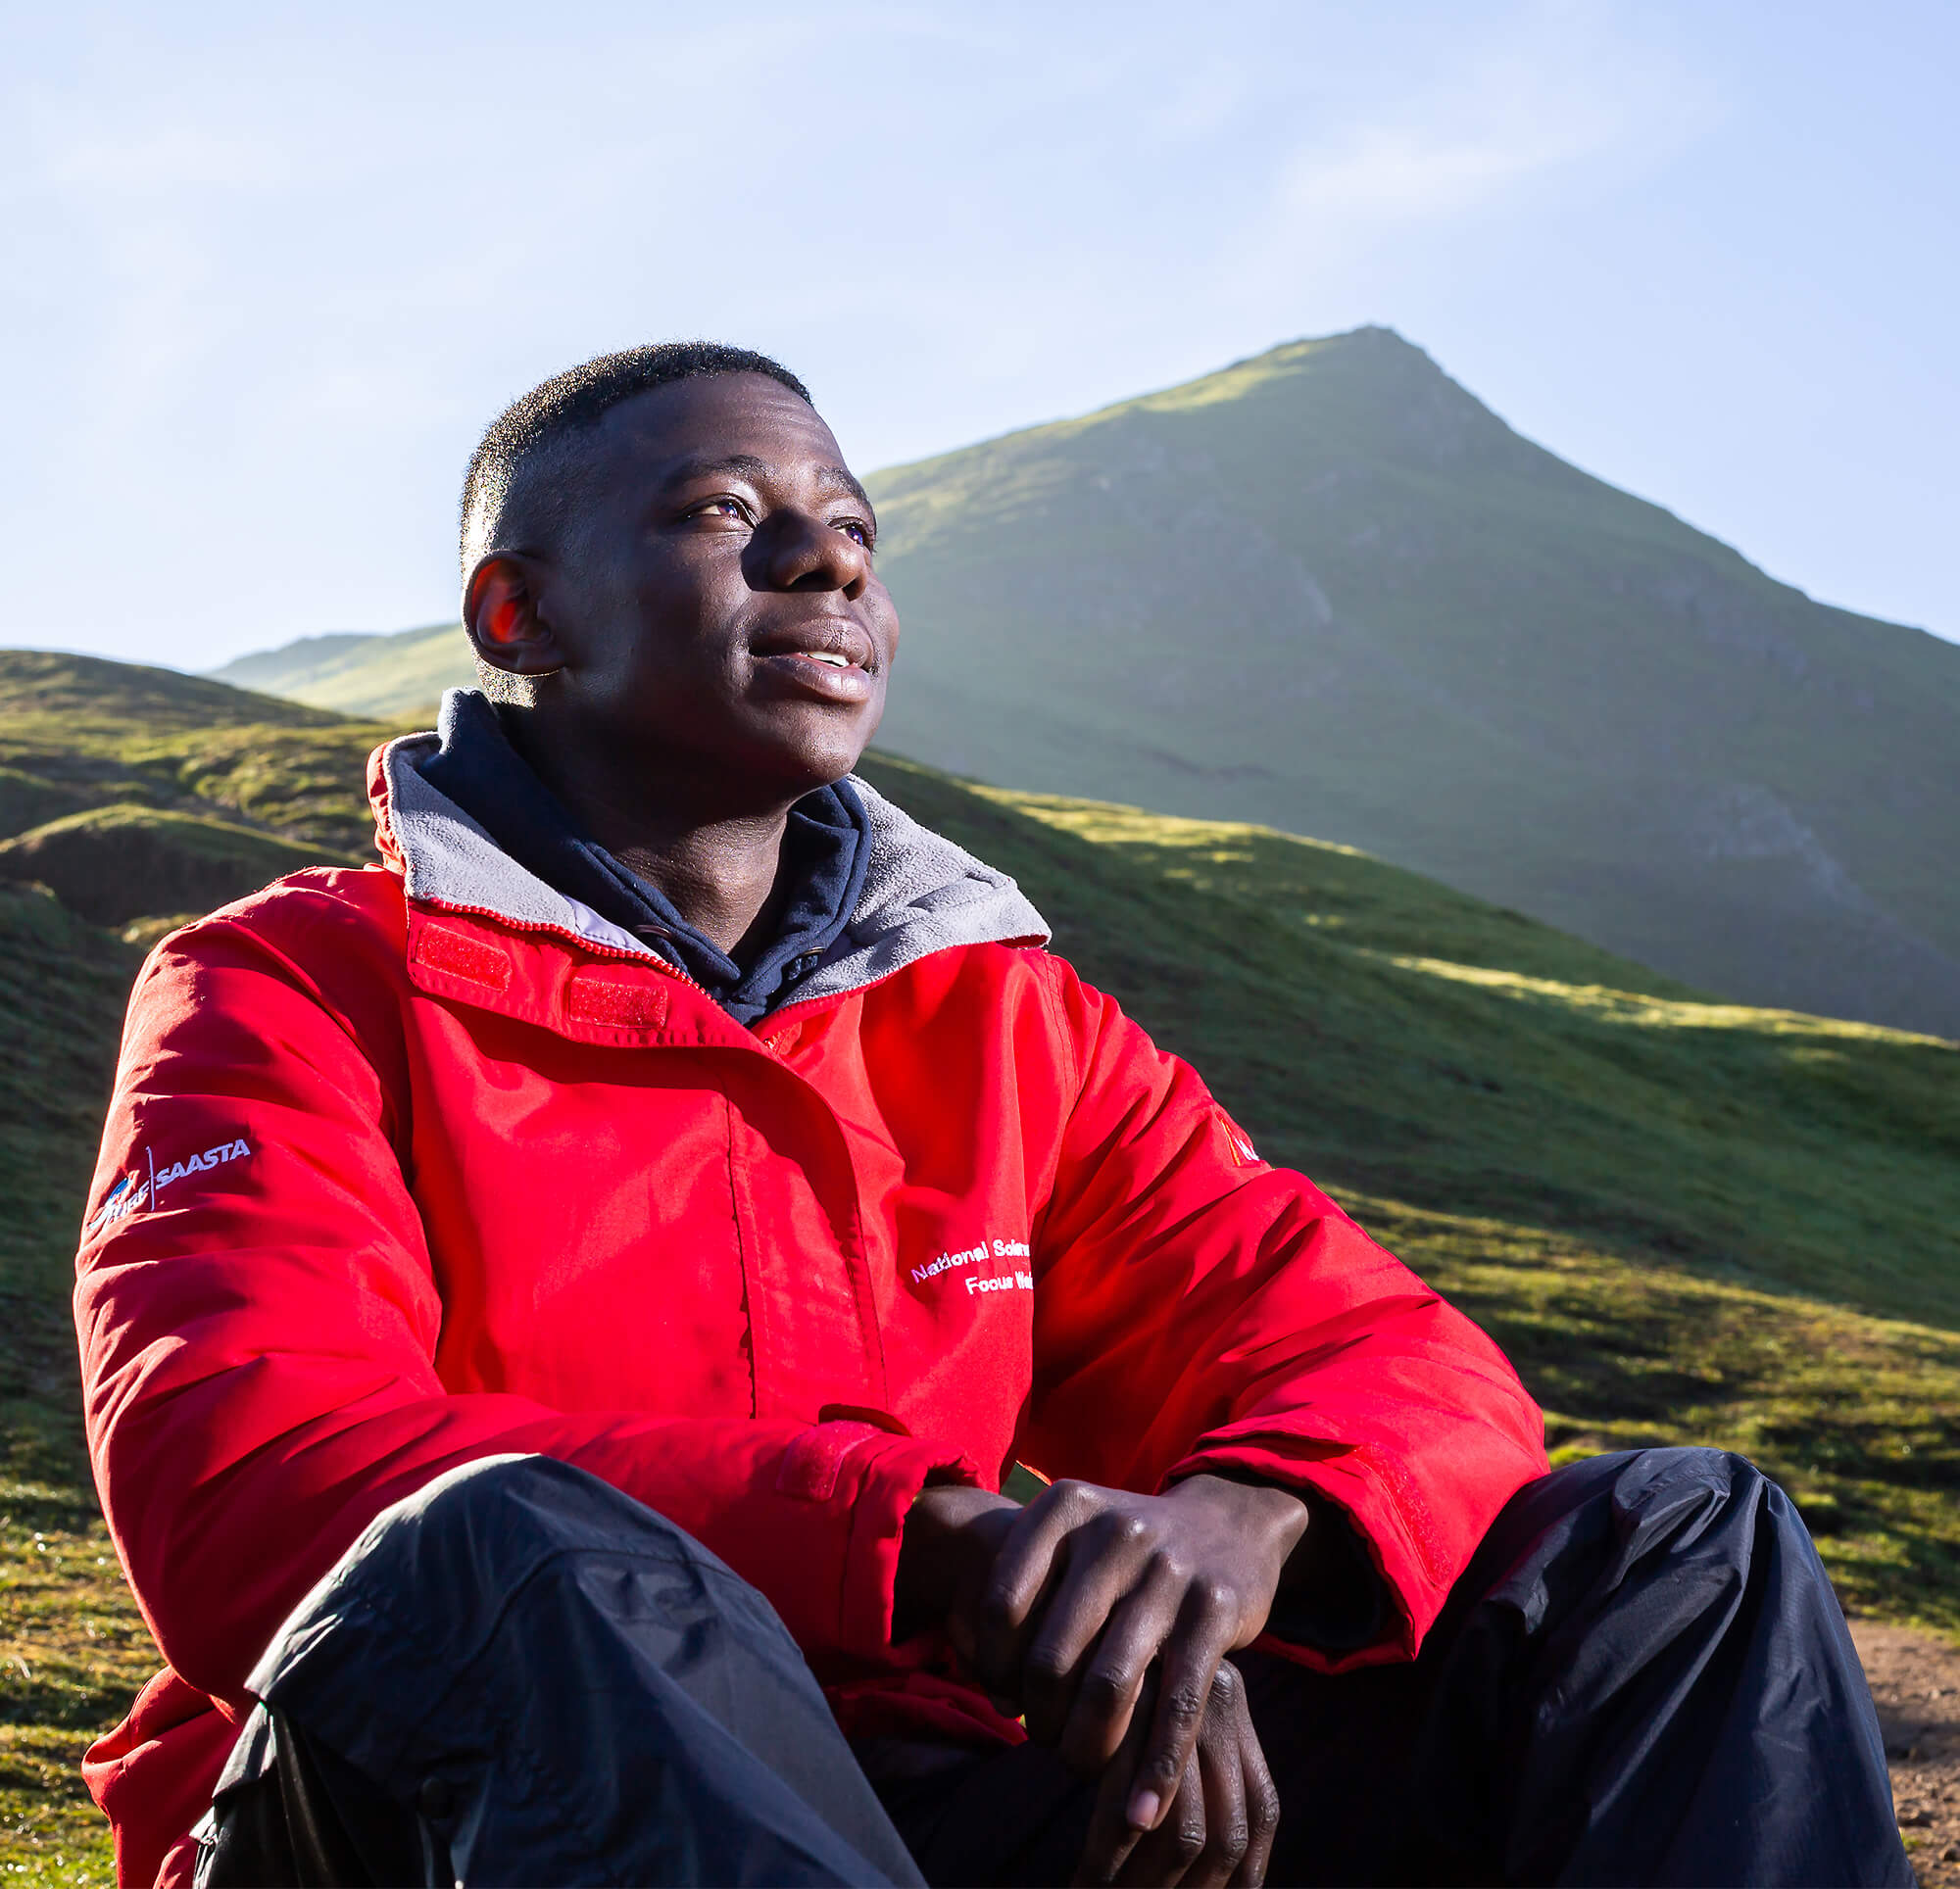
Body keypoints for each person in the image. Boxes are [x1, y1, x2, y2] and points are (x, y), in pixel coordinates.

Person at [75, 343, 1908, 1889]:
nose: (828, 566)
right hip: (447, 1820)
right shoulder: (288, 987)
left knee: (1674, 1541)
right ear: (519, 612)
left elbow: (1379, 1348)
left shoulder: (1002, 1021)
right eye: (729, 516)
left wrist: (1234, 1536)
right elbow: (247, 1486)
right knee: (509, 1545)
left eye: (855, 532)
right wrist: (934, 1543)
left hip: (948, 1791)